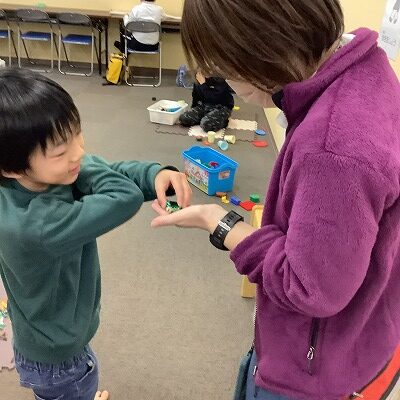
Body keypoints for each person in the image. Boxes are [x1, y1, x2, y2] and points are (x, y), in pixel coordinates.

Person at [151, 1, 400, 399]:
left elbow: (308, 287)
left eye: (225, 67)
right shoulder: (368, 67)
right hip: (361, 334)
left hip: (311, 370)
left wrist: (221, 223)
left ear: (262, 46)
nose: (224, 80)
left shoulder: (331, 149)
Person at [0, 68, 191, 400]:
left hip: (44, 338)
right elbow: (122, 195)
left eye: (78, 134)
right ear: (12, 167)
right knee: (76, 390)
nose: (79, 152)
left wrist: (153, 174)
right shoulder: (39, 225)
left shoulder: (27, 180)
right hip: (61, 358)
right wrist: (85, 165)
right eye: (60, 151)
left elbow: (106, 173)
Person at [114, 0, 181, 52]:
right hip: (154, 46)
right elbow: (164, 18)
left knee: (122, 27)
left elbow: (128, 27)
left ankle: (123, 50)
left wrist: (125, 17)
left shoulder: (136, 9)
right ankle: (124, 49)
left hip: (137, 45)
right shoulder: (159, 10)